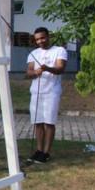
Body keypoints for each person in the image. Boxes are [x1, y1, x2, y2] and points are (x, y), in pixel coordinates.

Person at [26, 26, 67, 163]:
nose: (40, 41)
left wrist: (47, 68)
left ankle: (46, 152)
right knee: (38, 122)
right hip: (36, 92)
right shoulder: (33, 54)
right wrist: (35, 72)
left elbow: (60, 69)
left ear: (48, 37)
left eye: (43, 38)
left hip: (52, 92)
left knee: (49, 122)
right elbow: (28, 72)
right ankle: (38, 150)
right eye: (37, 39)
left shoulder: (59, 51)